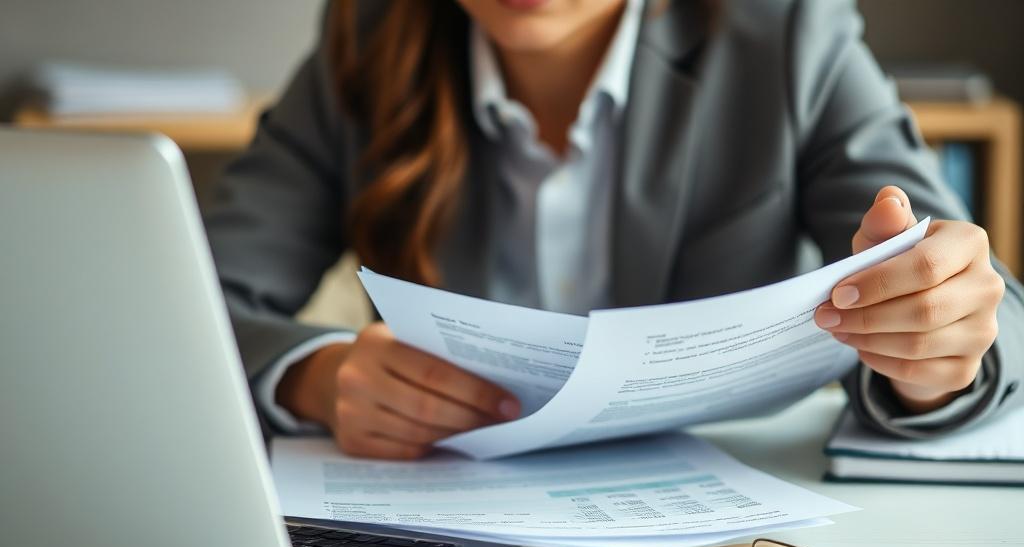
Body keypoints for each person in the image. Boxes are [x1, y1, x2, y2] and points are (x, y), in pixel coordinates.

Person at [206, 0, 1023, 460]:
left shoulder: (787, 34)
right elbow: (189, 302)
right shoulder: (368, 40)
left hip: (730, 542)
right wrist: (314, 376)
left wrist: (933, 349)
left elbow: (979, 302)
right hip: (443, 546)